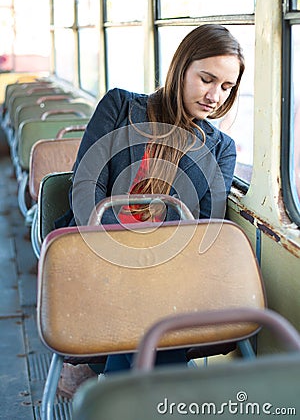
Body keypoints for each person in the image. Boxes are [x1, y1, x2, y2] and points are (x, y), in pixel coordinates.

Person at [56, 23, 245, 391]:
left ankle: (113, 383)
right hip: (95, 249)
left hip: (169, 267)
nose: (215, 96)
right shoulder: (121, 106)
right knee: (147, 303)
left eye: (227, 87)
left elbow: (206, 225)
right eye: (207, 79)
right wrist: (115, 253)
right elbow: (86, 184)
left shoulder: (221, 147)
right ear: (181, 68)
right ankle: (154, 391)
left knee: (153, 297)